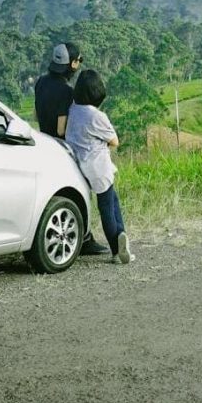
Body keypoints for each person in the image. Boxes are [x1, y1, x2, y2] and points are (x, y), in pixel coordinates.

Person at [34, 42, 110, 257]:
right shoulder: (66, 92)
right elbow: (61, 127)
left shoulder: (41, 82)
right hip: (61, 147)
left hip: (44, 142)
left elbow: (37, 113)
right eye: (79, 60)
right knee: (79, 189)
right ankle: (84, 239)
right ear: (73, 64)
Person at [65, 69, 132, 265]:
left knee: (112, 200)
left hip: (80, 165)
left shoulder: (73, 109)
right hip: (99, 166)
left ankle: (121, 237)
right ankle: (116, 248)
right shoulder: (97, 116)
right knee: (107, 208)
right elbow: (114, 141)